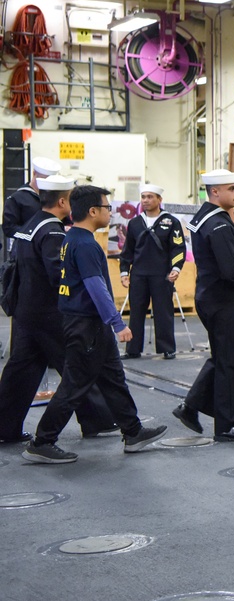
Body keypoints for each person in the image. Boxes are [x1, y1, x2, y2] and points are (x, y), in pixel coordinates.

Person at [22, 185, 167, 463]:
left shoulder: (72, 238)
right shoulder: (86, 244)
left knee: (113, 378)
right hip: (86, 325)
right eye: (106, 207)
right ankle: (42, 441)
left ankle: (133, 431)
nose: (110, 212)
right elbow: (95, 287)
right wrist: (117, 323)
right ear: (92, 211)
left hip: (89, 325)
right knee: (74, 385)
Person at [0, 176, 115, 445]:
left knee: (22, 370)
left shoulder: (32, 224)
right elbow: (59, 273)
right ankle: (94, 419)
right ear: (62, 201)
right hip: (50, 312)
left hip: (27, 310)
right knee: (78, 366)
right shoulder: (53, 232)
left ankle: (5, 426)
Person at [173, 170, 234, 442]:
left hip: (209, 296)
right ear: (215, 192)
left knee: (223, 357)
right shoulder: (221, 224)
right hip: (223, 299)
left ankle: (190, 406)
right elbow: (231, 272)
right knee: (233, 363)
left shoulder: (204, 218)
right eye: (232, 188)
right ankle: (230, 424)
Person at [119, 184, 185, 359]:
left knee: (164, 311)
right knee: (136, 312)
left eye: (150, 197)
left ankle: (167, 347)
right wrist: (124, 272)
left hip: (161, 274)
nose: (146, 200)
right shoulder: (134, 223)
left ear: (159, 200)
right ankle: (133, 349)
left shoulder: (171, 222)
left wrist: (176, 268)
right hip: (139, 274)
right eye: (143, 197)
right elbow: (128, 250)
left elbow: (178, 248)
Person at [3, 156, 58, 253]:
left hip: (50, 248)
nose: (45, 184)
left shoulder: (54, 199)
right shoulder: (17, 198)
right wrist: (35, 233)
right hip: (26, 252)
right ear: (34, 174)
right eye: (42, 179)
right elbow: (9, 228)